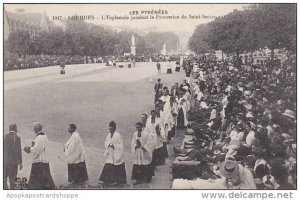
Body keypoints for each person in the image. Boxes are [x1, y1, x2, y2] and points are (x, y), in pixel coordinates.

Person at [23, 122, 55, 189]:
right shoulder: (45, 136)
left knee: (36, 179)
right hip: (44, 159)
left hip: (39, 161)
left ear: (37, 128)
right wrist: (33, 146)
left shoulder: (39, 137)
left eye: (34, 128)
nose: (33, 129)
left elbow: (37, 150)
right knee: (46, 176)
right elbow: (39, 147)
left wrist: (28, 149)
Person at [99, 121, 127, 186]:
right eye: (109, 129)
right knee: (108, 165)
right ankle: (107, 180)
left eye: (111, 129)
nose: (110, 130)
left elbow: (121, 145)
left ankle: (118, 181)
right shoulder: (109, 135)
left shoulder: (118, 135)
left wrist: (114, 146)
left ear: (114, 129)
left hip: (116, 153)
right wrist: (109, 144)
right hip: (111, 153)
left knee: (117, 165)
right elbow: (106, 142)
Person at [4, 124, 22, 189]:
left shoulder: (5, 137)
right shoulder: (17, 138)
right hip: (14, 163)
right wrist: (20, 163)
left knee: (4, 178)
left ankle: (5, 190)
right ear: (15, 129)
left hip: (5, 162)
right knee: (13, 179)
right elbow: (19, 151)